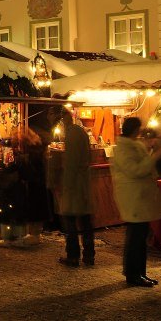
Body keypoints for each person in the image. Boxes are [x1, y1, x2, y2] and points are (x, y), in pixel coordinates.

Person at [111, 117, 161, 287]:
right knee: (135, 237)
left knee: (140, 236)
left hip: (140, 197)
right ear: (135, 129)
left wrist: (152, 151)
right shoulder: (123, 148)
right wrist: (155, 156)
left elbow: (143, 166)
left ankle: (140, 273)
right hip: (133, 198)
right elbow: (136, 170)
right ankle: (133, 274)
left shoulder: (133, 145)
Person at [56, 107, 95, 267]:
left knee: (71, 221)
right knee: (85, 222)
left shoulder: (72, 134)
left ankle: (73, 256)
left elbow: (71, 163)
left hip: (75, 186)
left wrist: (67, 184)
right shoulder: (80, 132)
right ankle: (89, 255)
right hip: (83, 184)